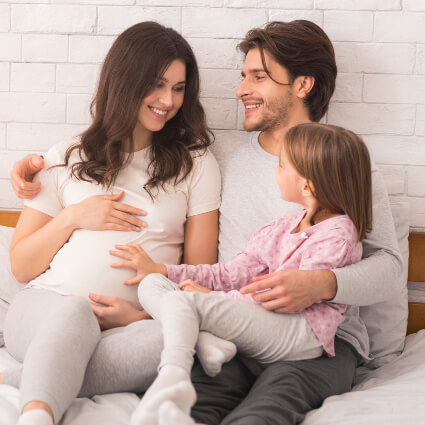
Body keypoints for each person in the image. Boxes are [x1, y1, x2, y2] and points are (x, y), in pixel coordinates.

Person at [8, 20, 403, 425]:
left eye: (258, 77)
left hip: (317, 339)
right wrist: (36, 173)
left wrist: (322, 284)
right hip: (231, 331)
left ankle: (34, 378)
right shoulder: (220, 155)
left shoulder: (344, 165)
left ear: (303, 85)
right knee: (185, 406)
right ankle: (42, 391)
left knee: (269, 404)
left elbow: (390, 269)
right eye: (242, 75)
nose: (240, 90)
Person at [2, 21, 222, 425]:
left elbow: (201, 275)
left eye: (178, 88)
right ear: (125, 81)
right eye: (157, 84)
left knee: (183, 340)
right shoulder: (65, 157)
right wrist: (73, 217)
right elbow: (21, 265)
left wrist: (142, 317)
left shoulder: (196, 164)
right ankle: (36, 416)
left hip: (133, 326)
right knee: (75, 315)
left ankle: (24, 379)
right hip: (45, 309)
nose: (168, 100)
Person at [108, 122, 372, 425]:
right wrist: (165, 270)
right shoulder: (281, 226)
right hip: (263, 323)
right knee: (153, 284)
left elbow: (289, 300)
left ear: (307, 186)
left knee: (187, 304)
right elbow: (232, 273)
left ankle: (173, 375)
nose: (276, 170)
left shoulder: (337, 235)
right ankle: (207, 342)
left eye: (282, 165)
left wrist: (212, 299)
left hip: (300, 331)